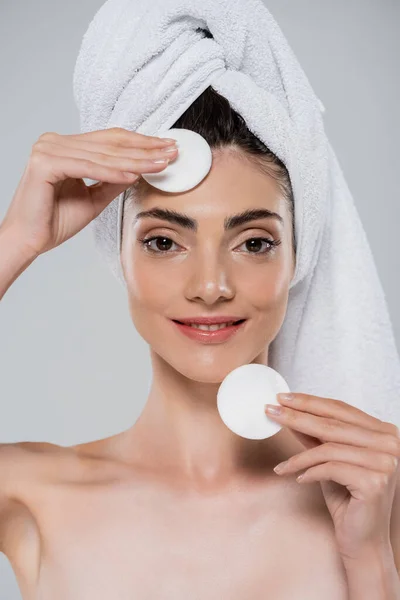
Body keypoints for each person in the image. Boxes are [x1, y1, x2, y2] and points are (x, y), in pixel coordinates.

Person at [0, 86, 398, 600]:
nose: (210, 286)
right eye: (164, 242)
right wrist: (15, 239)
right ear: (118, 257)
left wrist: (370, 560)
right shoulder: (30, 495)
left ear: (298, 258)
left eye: (254, 243)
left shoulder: (374, 497)